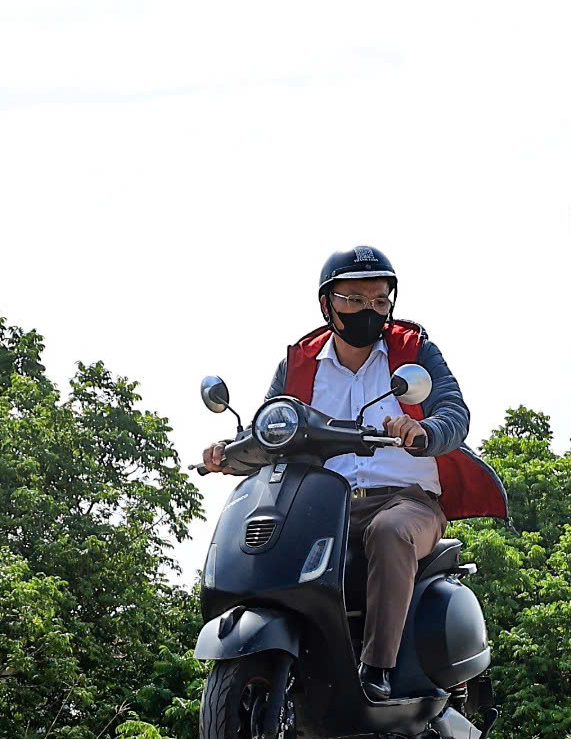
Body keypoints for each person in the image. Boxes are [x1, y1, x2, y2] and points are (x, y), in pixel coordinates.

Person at [203, 244, 505, 701]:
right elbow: (271, 428)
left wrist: (421, 430)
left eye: (379, 300)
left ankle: (378, 670)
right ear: (328, 304)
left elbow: (454, 413)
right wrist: (230, 452)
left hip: (407, 501)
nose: (369, 309)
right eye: (355, 299)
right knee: (263, 541)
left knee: (390, 531)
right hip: (323, 503)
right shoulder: (300, 363)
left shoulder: (414, 352)